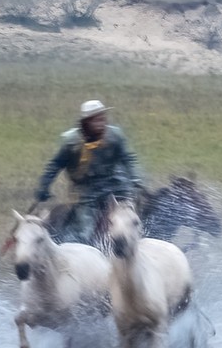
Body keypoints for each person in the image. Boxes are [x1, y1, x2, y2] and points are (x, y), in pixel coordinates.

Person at [34, 100, 145, 244]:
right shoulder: (71, 142)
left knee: (132, 213)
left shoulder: (115, 136)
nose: (101, 122)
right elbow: (55, 165)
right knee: (85, 230)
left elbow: (127, 158)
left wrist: (135, 178)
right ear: (86, 122)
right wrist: (44, 186)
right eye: (96, 120)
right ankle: (83, 247)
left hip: (114, 182)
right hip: (86, 191)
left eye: (103, 118)